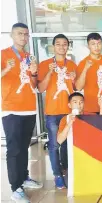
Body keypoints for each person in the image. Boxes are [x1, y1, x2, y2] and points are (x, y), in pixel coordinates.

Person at [1, 23, 43, 203]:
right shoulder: (3, 54)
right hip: (11, 108)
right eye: (20, 34)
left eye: (26, 34)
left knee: (25, 146)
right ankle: (15, 188)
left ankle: (24, 177)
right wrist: (7, 69)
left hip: (29, 108)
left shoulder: (29, 57)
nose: (23, 37)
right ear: (12, 35)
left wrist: (34, 73)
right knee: (14, 149)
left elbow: (34, 85)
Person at [38, 34, 77, 189]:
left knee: (67, 144)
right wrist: (49, 72)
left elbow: (75, 90)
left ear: (68, 46)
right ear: (53, 47)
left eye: (64, 44)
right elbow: (40, 89)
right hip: (53, 112)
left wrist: (74, 79)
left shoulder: (72, 64)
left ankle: (66, 171)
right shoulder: (45, 64)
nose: (62, 47)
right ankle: (57, 175)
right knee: (54, 145)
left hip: (69, 112)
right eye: (58, 44)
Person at [75, 33, 102, 114]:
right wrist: (85, 68)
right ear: (88, 46)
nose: (96, 47)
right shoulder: (83, 63)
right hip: (91, 108)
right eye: (93, 44)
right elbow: (78, 87)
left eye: (99, 43)